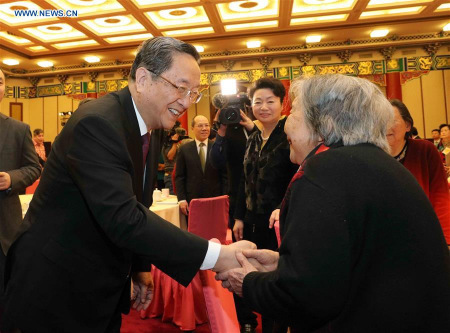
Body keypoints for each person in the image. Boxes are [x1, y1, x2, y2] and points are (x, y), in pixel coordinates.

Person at [0, 37, 255, 333]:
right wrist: (217, 256)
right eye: (181, 88)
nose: (186, 102)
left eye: (194, 93)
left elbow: (139, 203)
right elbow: (122, 217)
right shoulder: (96, 124)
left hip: (101, 280)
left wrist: (140, 266)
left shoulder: (154, 123)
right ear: (144, 78)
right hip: (56, 282)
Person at [217, 74, 450, 332]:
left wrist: (248, 282)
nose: (285, 126)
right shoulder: (373, 162)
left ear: (320, 125)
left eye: (293, 113)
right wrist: (284, 265)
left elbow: (305, 298)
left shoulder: (322, 172)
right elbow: (345, 263)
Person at [233, 77, 298, 332]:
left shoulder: (289, 136)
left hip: (279, 221)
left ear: (283, 104)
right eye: (257, 102)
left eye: (270, 101)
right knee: (252, 274)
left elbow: (297, 178)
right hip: (252, 221)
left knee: (276, 282)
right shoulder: (254, 137)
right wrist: (239, 216)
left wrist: (284, 208)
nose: (263, 107)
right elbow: (244, 180)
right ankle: (253, 323)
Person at [210, 108, 258, 333]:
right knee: (240, 259)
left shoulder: (254, 129)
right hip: (237, 203)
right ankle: (246, 318)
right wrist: (221, 129)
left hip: (262, 204)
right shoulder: (225, 132)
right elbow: (216, 161)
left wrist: (250, 125)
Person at [0, 68, 41, 313]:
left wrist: (11, 178)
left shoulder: (18, 129)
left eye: (0, 81)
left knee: (8, 300)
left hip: (5, 230)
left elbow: (33, 168)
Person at [388, 99, 450, 243]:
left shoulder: (424, 150)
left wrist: (445, 241)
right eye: (379, 121)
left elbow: (440, 196)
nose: (385, 127)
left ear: (408, 125)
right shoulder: (370, 155)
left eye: (391, 120)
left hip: (423, 234)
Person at [175, 115, 226, 216]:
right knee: (194, 231)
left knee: (214, 230)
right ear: (192, 128)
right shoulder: (184, 149)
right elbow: (180, 176)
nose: (204, 128)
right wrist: (181, 199)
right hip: (192, 200)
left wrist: (225, 196)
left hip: (215, 199)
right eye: (200, 125)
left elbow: (225, 175)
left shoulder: (218, 147)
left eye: (207, 125)